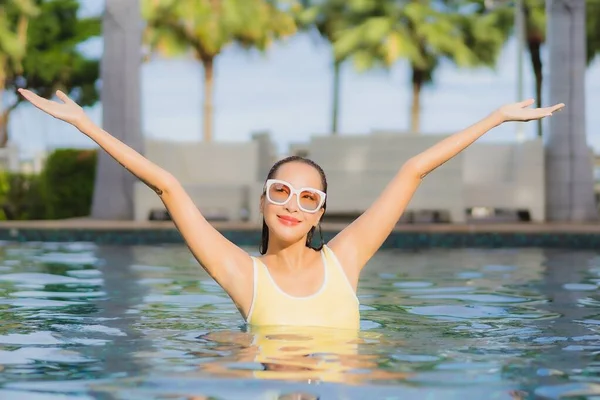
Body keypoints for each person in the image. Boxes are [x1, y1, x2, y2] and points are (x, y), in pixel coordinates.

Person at [18, 89, 564, 332]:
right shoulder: (241, 273)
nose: (292, 205)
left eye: (308, 198)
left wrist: (495, 118)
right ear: (262, 200)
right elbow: (166, 186)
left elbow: (413, 170)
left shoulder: (345, 261)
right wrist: (86, 126)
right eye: (280, 191)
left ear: (319, 214)